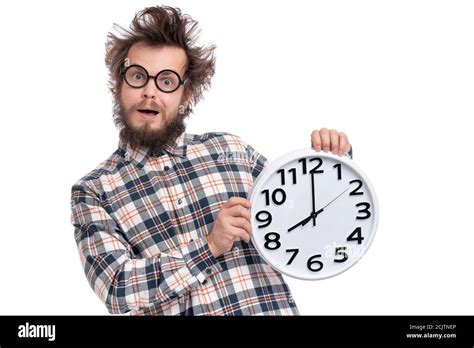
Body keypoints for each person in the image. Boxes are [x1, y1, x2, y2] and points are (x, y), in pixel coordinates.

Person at [70, 5, 352, 316]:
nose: (149, 91)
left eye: (166, 81)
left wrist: (333, 165)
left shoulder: (231, 150)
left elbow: (305, 221)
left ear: (186, 94)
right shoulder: (94, 190)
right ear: (119, 84)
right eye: (137, 76)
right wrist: (209, 247)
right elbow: (117, 288)